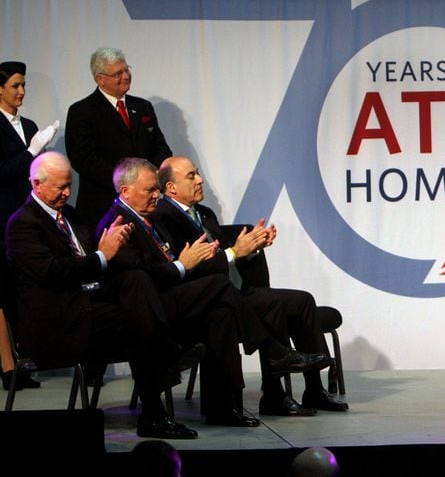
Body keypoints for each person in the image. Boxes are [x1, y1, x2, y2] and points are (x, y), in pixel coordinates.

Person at [96, 157, 332, 425]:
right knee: (233, 294)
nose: (156, 194)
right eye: (150, 190)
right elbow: (143, 274)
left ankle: (229, 404)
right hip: (155, 308)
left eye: (155, 189)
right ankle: (273, 353)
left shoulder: (164, 216)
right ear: (126, 191)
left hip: (189, 292)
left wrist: (249, 248)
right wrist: (182, 266)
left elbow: (192, 256)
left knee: (226, 311)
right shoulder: (120, 223)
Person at [4, 151, 204, 439]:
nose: (67, 193)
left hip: (88, 306)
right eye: (60, 187)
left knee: (134, 280)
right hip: (57, 322)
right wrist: (101, 256)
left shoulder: (69, 215)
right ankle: (164, 372)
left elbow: (91, 260)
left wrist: (103, 257)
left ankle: (160, 384)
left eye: (69, 185)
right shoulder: (23, 224)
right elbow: (54, 273)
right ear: (36, 184)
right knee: (138, 323)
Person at [154, 155, 348, 415]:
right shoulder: (165, 218)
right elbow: (192, 270)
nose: (200, 180)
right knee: (272, 304)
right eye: (191, 176)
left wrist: (251, 249)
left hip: (236, 288)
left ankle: (314, 389)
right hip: (211, 298)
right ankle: (275, 396)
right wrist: (235, 251)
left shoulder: (204, 214)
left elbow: (229, 258)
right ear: (171, 188)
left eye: (198, 173)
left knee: (303, 301)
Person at [65, 46, 172, 228]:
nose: (125, 76)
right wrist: (128, 183)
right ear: (100, 79)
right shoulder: (82, 111)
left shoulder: (143, 107)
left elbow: (160, 148)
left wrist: (150, 179)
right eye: (117, 74)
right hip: (104, 206)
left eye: (126, 70)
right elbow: (83, 160)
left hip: (145, 205)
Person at [0, 60, 59, 390]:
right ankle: (7, 367)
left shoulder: (30, 123)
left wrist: (40, 158)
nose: (21, 92)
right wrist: (30, 152)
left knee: (25, 288)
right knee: (4, 290)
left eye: (23, 86)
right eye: (15, 86)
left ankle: (23, 361)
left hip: (29, 217)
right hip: (3, 217)